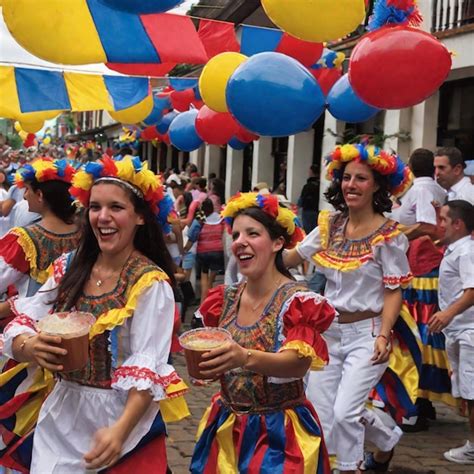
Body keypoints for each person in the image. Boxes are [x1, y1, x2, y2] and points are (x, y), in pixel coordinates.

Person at [0, 155, 187, 473]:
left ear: (140, 217)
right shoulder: (70, 266)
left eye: (116, 207)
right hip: (61, 414)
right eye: (95, 207)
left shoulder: (150, 283)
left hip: (120, 418)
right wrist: (29, 346)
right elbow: (27, 319)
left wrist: (119, 431)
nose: (103, 217)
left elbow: (149, 368)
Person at [284, 143, 413, 473]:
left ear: (378, 186)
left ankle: (350, 467)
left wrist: (384, 335)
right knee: (323, 416)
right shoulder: (329, 226)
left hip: (367, 334)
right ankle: (386, 440)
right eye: (346, 178)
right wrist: (258, 243)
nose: (351, 185)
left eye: (361, 179)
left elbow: (393, 290)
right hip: (328, 333)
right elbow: (291, 257)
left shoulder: (389, 236)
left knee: (345, 412)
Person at [190, 192, 335, 473]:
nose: (240, 242)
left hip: (278, 433)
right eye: (236, 235)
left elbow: (299, 361)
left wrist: (243, 357)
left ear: (278, 243)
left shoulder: (297, 300)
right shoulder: (225, 298)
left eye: (252, 234)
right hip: (227, 424)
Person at [388, 148, 453, 431]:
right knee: (422, 330)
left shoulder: (423, 189)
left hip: (422, 267)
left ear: (412, 167)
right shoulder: (433, 188)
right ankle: (423, 400)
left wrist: (397, 231)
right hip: (421, 266)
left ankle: (418, 401)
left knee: (420, 330)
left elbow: (429, 226)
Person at [428, 200, 474, 465]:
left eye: (444, 220)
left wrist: (447, 313)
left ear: (458, 224)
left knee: (472, 392)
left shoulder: (466, 251)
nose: (439, 225)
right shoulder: (454, 249)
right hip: (458, 330)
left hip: (468, 331)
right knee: (467, 391)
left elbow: (472, 290)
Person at [0, 158, 80, 301]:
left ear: (39, 195)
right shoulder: (83, 232)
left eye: (27, 190)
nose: (24, 196)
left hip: (35, 318)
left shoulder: (24, 239)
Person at [185, 198, 225, 302]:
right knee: (211, 279)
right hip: (218, 252)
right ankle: (209, 301)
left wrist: (185, 250)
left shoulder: (200, 219)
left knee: (204, 276)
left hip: (203, 253)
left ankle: (203, 302)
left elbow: (192, 236)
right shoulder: (221, 218)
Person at [298, 163, 321, 234]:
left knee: (308, 232)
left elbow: (300, 201)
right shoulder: (320, 185)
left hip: (307, 211)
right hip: (317, 211)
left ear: (311, 172)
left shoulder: (307, 186)